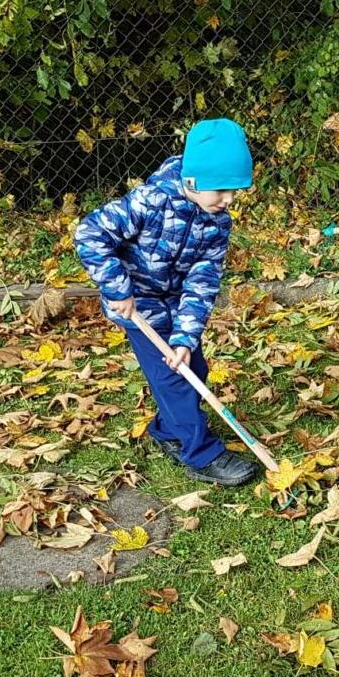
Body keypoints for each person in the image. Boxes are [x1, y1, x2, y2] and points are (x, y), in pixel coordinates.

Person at [76, 119, 259, 486]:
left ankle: (167, 431)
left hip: (176, 301)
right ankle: (201, 453)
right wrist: (118, 288)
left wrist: (185, 338)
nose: (229, 200)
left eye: (235, 192)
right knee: (175, 379)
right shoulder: (151, 201)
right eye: (222, 190)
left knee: (193, 368)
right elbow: (90, 233)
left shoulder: (217, 222)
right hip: (138, 305)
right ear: (193, 182)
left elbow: (203, 279)